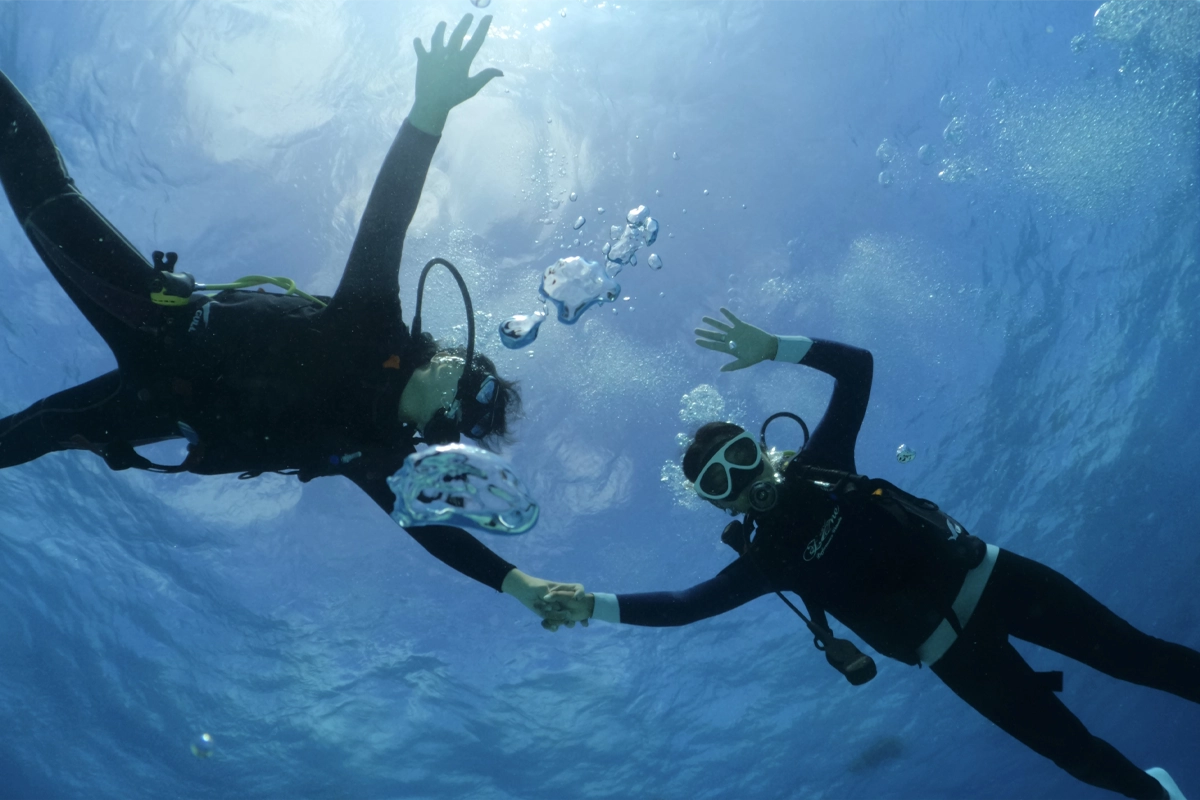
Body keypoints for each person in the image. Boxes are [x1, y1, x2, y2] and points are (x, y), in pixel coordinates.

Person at [0, 15, 583, 618]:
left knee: (29, 434)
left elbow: (435, 533)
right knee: (44, 191)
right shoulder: (371, 326)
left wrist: (522, 585)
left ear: (451, 423)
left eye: (477, 402)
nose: (466, 382)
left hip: (165, 408)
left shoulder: (376, 453)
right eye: (476, 372)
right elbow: (386, 223)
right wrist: (428, 113)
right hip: (163, 324)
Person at [545, 307, 1197, 800]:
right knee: (1073, 754)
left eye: (740, 456)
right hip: (955, 657)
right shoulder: (767, 561)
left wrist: (774, 348)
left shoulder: (824, 464)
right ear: (721, 506)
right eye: (720, 481)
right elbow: (685, 605)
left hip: (995, 581)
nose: (740, 478)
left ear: (761, 450)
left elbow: (858, 367)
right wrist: (589, 605)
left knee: (1137, 656)